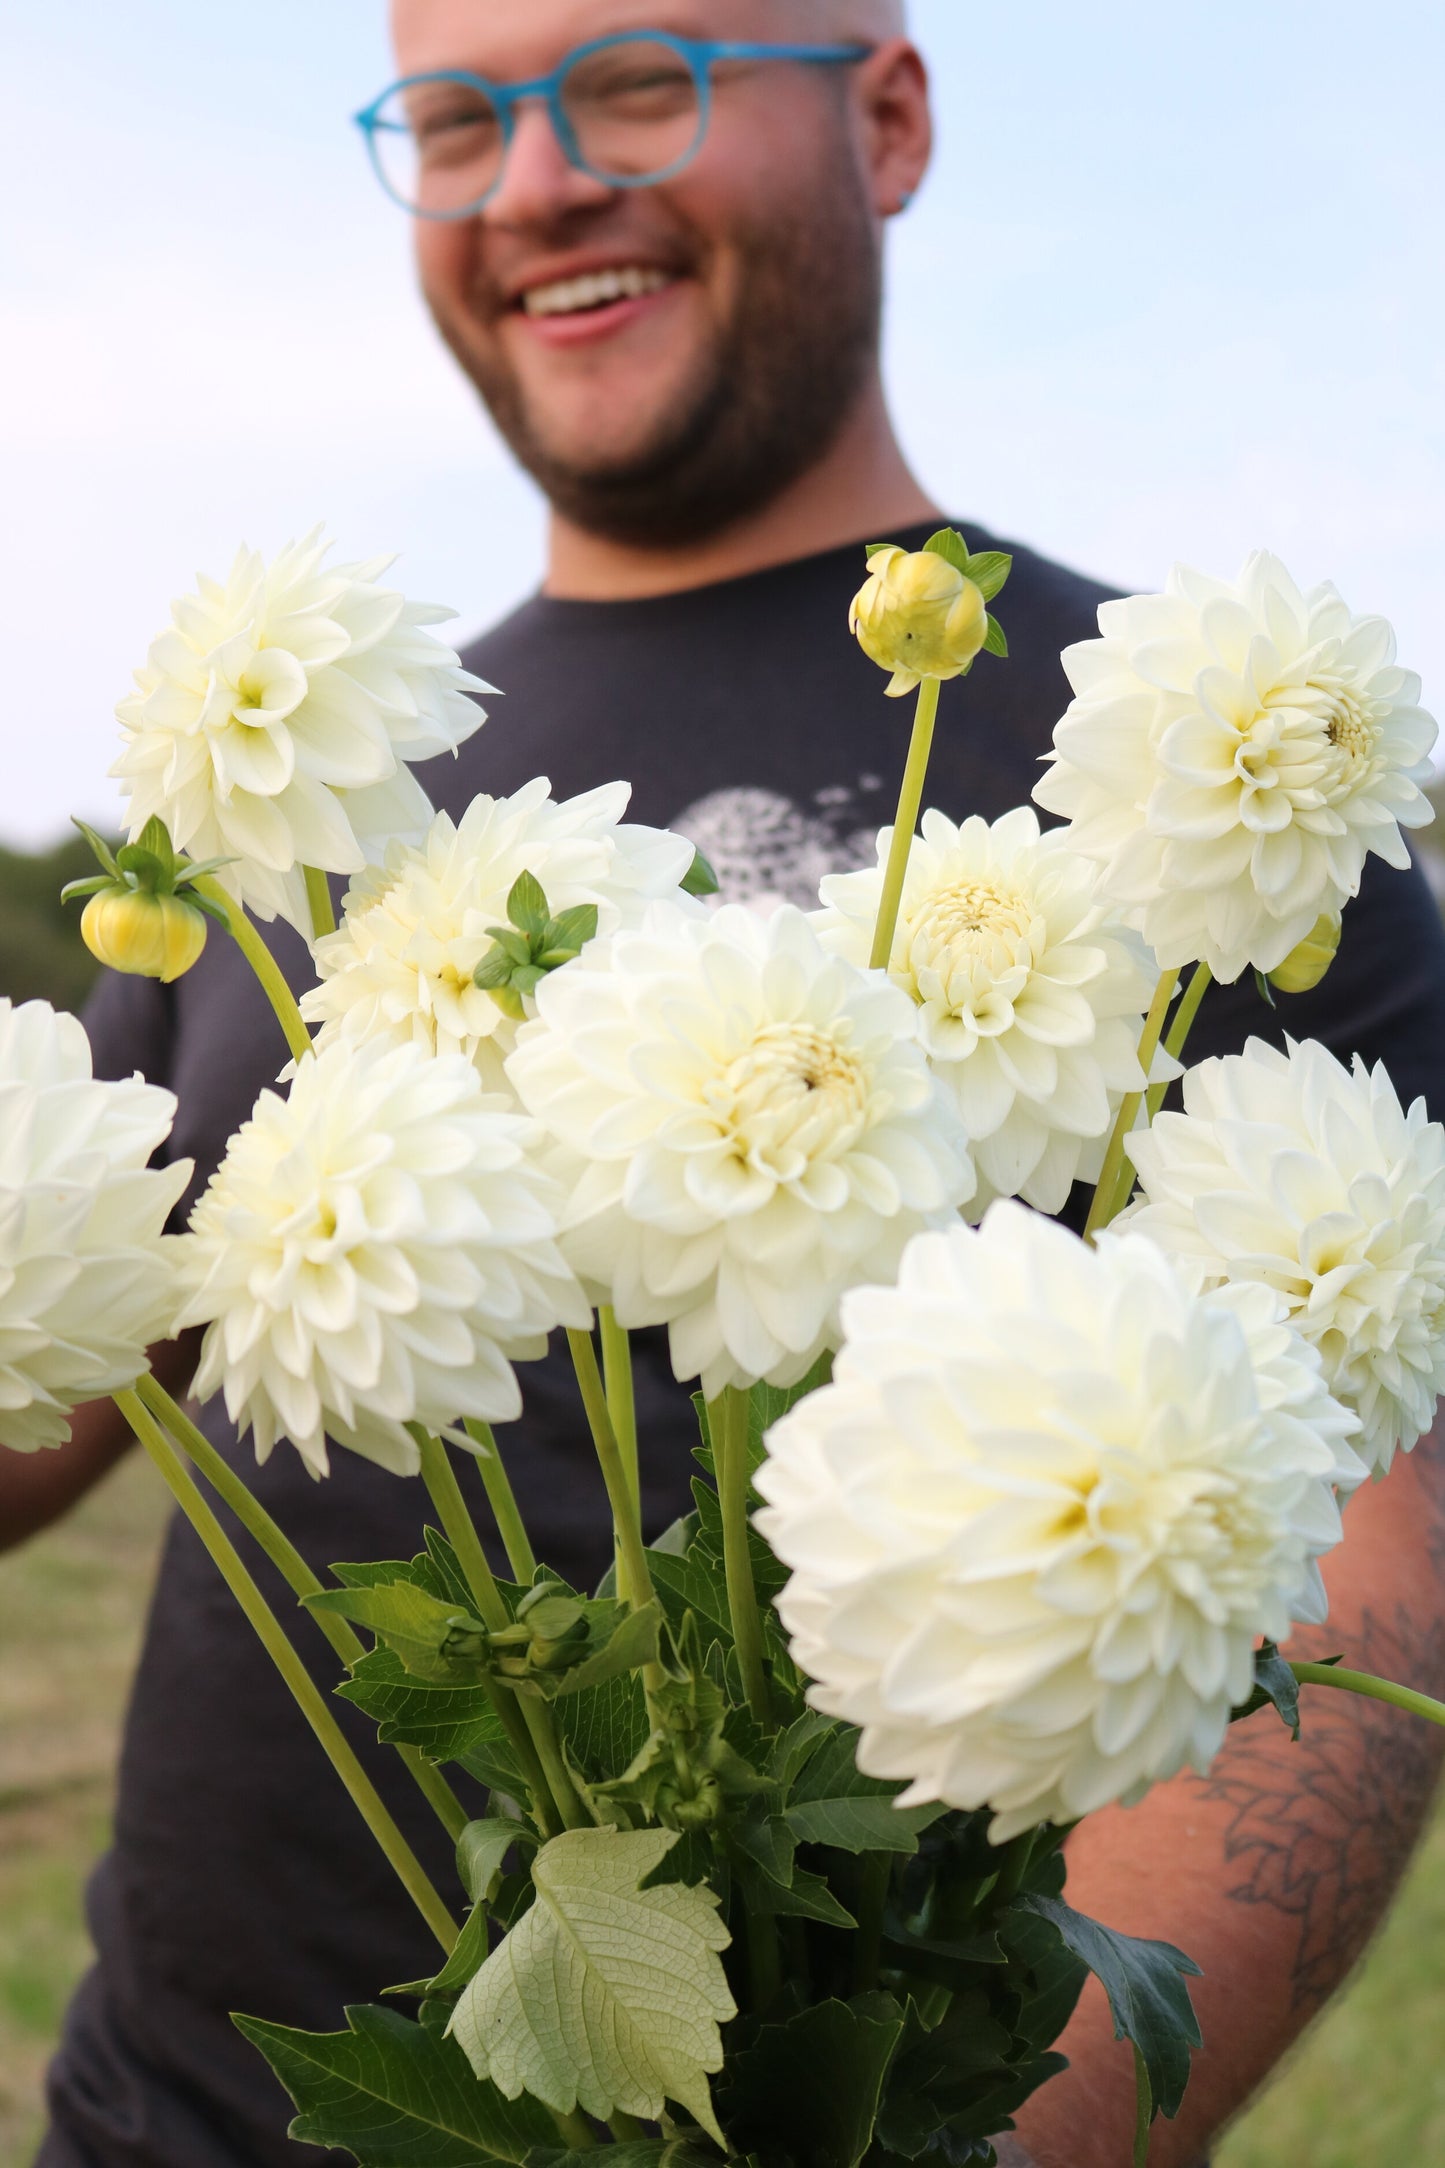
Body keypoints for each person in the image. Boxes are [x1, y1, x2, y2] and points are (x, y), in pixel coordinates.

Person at [9, 3, 1445, 2163]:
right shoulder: (298, 816)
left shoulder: (1188, 796)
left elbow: (1351, 1561)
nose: (533, 181)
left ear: (885, 114)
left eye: (635, 79)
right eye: (452, 114)